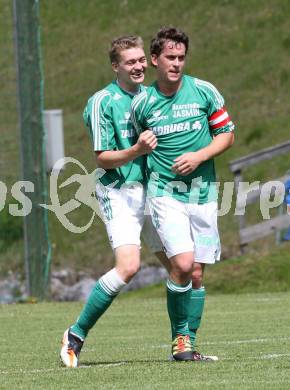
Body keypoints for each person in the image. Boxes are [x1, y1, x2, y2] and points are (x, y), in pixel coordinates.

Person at [60, 35, 166, 368]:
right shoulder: (102, 101)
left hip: (157, 191)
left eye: (141, 60)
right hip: (119, 192)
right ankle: (75, 335)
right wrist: (137, 150)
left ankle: (184, 347)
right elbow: (103, 158)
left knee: (185, 268)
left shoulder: (154, 96)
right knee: (129, 267)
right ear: (115, 66)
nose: (138, 67)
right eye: (130, 62)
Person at [131, 26, 235, 361]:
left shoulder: (204, 92)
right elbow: (135, 149)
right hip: (166, 195)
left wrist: (199, 156)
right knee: (184, 264)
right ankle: (180, 340)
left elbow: (226, 135)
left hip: (204, 196)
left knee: (199, 272)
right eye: (170, 57)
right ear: (155, 59)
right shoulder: (142, 103)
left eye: (181, 57)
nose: (176, 63)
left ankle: (189, 341)